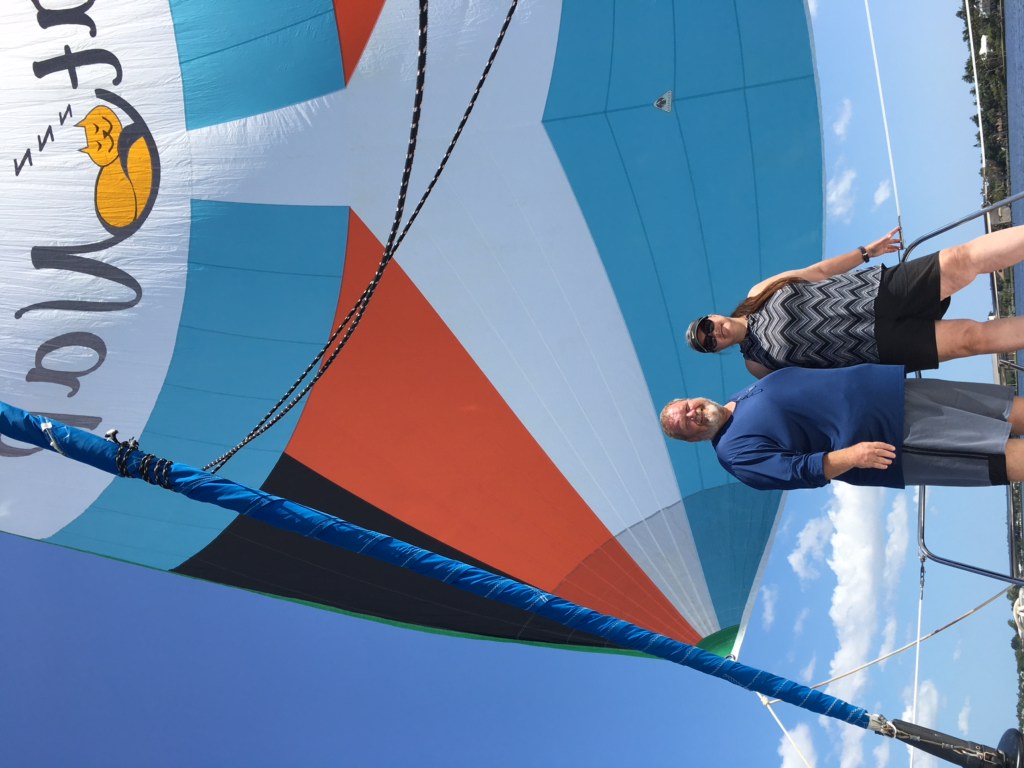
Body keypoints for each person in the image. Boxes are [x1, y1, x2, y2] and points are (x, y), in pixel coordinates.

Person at [685, 225, 1024, 378]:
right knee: (971, 340)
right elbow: (818, 385)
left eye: (707, 327)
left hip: (875, 292)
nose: (715, 333)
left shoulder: (759, 292)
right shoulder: (757, 367)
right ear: (717, 350)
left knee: (960, 261)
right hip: (879, 350)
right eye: (709, 342)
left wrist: (867, 252)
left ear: (712, 316)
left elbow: (816, 271)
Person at [659, 364, 1024, 491]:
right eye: (686, 424)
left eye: (686, 408)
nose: (693, 414)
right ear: (693, 440)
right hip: (887, 436)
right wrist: (854, 454)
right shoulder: (733, 455)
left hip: (890, 390)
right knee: (996, 451)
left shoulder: (745, 392)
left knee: (1003, 409)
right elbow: (797, 471)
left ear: (688, 397)